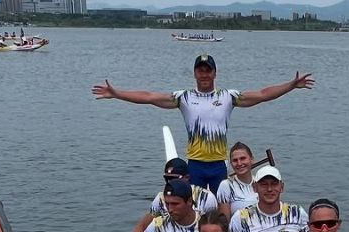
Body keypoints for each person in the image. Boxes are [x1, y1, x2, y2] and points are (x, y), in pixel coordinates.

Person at [91, 55, 315, 193]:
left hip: (219, 165)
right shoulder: (183, 97)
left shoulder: (229, 97)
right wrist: (117, 93)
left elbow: (263, 94)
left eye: (208, 70)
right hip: (195, 165)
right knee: (197, 209)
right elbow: (148, 97)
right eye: (201, 70)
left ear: (215, 73)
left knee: (221, 212)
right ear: (195, 73)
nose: (205, 74)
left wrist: (291, 85)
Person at [124, 157, 214, 232]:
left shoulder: (206, 198)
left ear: (187, 178)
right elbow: (144, 225)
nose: (170, 182)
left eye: (174, 178)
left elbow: (215, 226)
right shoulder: (160, 199)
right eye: (167, 179)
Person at [228, 166, 308, 232]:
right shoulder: (240, 217)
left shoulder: (297, 213)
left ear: (282, 187)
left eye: (274, 184)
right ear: (255, 187)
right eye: (264, 184)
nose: (269, 189)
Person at [214, 142, 258, 216]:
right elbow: (225, 220)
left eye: (242, 158)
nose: (239, 163)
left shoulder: (260, 183)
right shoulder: (226, 186)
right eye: (235, 160)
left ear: (252, 159)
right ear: (231, 163)